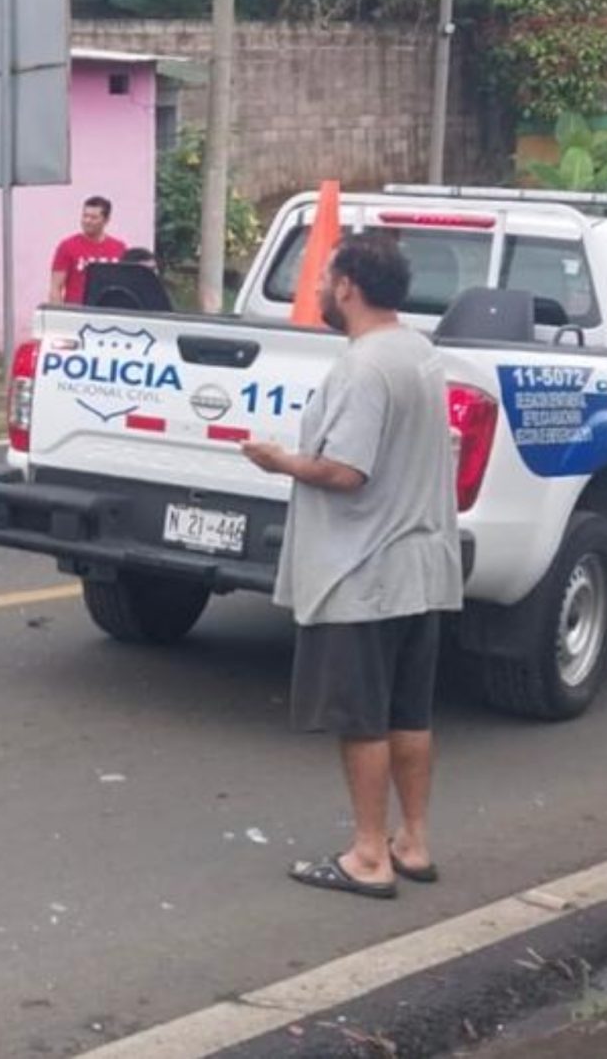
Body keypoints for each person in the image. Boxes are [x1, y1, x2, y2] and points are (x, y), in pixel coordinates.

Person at [241, 233, 462, 901]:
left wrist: (279, 461)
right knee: (408, 716)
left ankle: (369, 854)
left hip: (363, 571)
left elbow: (345, 470)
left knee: (361, 720)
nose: (316, 293)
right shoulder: (420, 352)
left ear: (348, 287)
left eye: (323, 281)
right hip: (420, 569)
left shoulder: (365, 367)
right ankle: (413, 841)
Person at [48, 196, 128, 305]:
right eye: (85, 216)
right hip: (77, 313)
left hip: (109, 313)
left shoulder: (120, 248)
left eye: (93, 217)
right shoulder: (67, 246)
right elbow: (55, 287)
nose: (87, 221)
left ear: (106, 220)